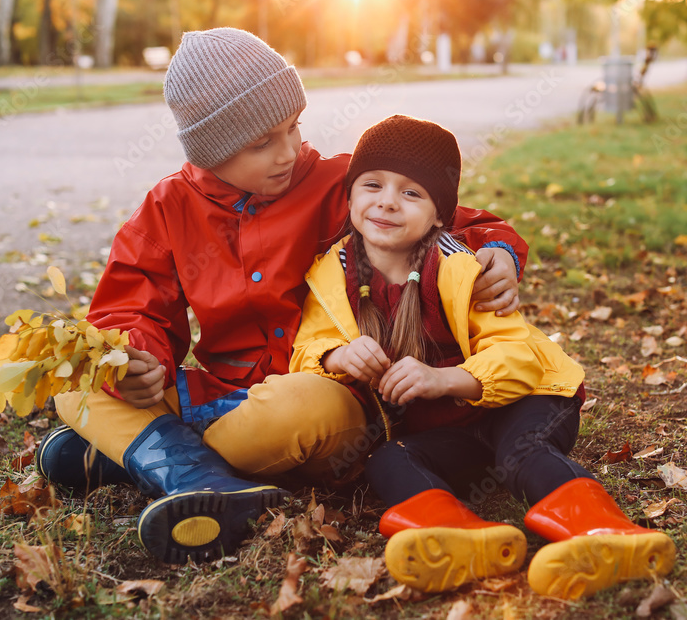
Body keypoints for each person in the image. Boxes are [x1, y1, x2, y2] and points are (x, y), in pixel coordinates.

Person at [33, 28, 528, 565]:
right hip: (226, 393)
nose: (288, 152)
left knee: (301, 405)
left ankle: (138, 454)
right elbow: (130, 305)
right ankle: (195, 475)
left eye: (293, 128)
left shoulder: (339, 183)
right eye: (261, 143)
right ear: (212, 149)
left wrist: (499, 248)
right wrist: (135, 355)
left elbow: (441, 216)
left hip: (329, 394)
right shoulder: (169, 206)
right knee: (74, 375)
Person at [291, 115, 676, 600]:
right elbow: (304, 350)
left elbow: (521, 359)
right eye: (372, 185)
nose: (387, 200)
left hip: (528, 401)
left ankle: (607, 535)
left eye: (411, 193)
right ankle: (458, 535)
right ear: (350, 199)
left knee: (522, 455)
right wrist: (339, 354)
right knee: (389, 458)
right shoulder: (330, 276)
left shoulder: (458, 267)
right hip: (453, 430)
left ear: (437, 216)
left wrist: (444, 380)